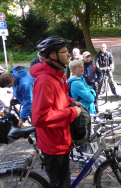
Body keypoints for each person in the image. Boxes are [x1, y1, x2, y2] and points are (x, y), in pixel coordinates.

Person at [30, 37, 81, 188]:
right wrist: (72, 112)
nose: (69, 55)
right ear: (53, 56)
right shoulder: (46, 80)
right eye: (65, 52)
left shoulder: (58, 76)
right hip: (54, 145)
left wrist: (70, 101)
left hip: (61, 140)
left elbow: (56, 101)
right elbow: (40, 117)